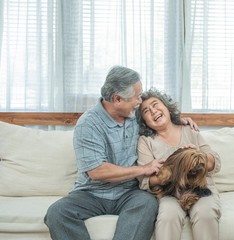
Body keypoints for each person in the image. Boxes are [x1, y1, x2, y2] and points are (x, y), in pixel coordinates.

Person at [44, 66, 198, 240]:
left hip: (129, 192)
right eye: (136, 97)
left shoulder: (134, 114)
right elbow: (97, 172)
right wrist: (142, 170)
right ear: (117, 99)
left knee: (147, 203)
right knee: (57, 213)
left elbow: (158, 118)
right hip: (91, 193)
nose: (140, 101)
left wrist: (178, 122)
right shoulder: (88, 124)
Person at [136, 88, 222, 240]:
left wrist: (197, 156)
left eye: (156, 104)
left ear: (167, 107)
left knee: (205, 214)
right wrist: (175, 171)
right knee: (167, 217)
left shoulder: (190, 130)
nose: (153, 111)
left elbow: (214, 163)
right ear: (144, 122)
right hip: (169, 193)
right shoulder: (146, 142)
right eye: (146, 111)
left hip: (201, 188)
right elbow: (146, 181)